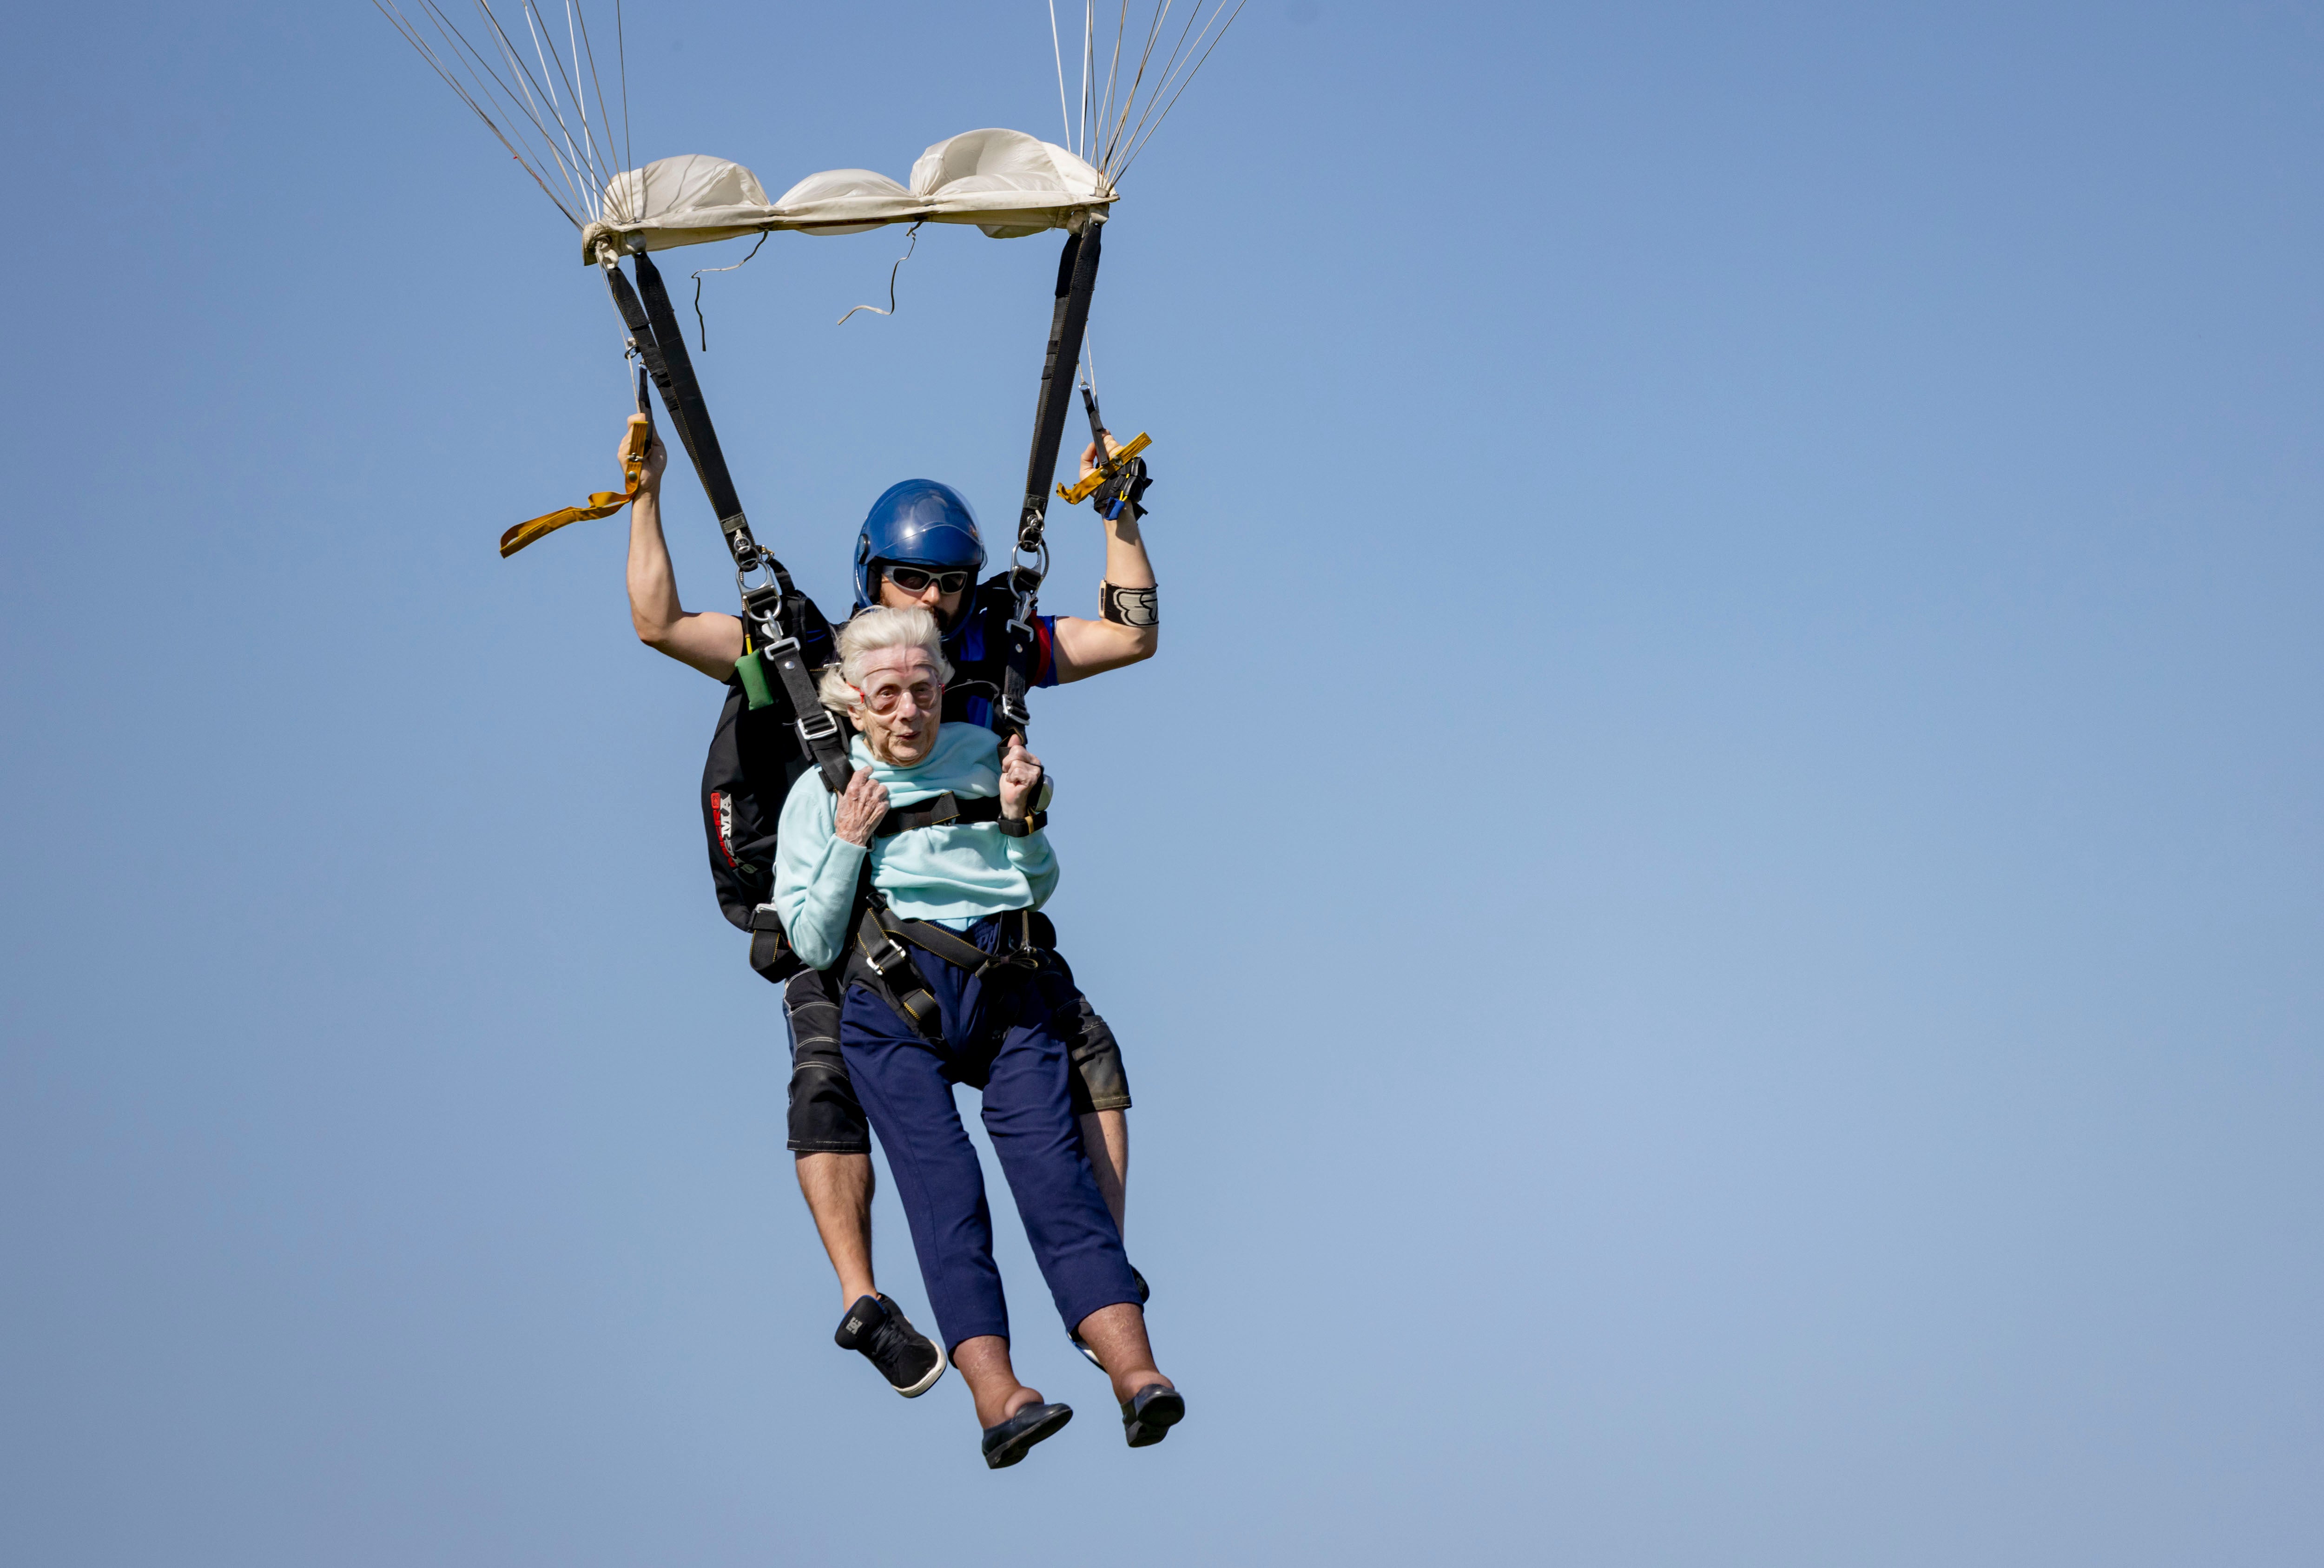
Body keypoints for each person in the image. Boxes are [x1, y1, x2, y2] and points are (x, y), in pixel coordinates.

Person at [622, 426, 1161, 1395]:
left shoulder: (989, 652)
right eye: (912, 582)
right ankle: (862, 1298)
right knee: (825, 1077)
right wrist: (645, 498)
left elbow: (1127, 632)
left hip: (979, 925)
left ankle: (1098, 1272)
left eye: (951, 583)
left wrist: (1120, 518)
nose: (934, 601)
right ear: (877, 577)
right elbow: (660, 622)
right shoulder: (814, 654)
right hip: (847, 917)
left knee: (1088, 1049)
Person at [773, 606, 1182, 1467]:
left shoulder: (987, 757)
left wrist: (1021, 818)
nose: (908, 711)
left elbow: (1037, 882)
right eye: (887, 695)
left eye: (923, 691)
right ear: (851, 700)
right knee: (946, 1191)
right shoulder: (818, 794)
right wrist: (849, 842)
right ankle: (999, 1399)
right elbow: (809, 944)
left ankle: (1137, 1374)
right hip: (894, 1007)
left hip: (1004, 992)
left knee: (1056, 1180)